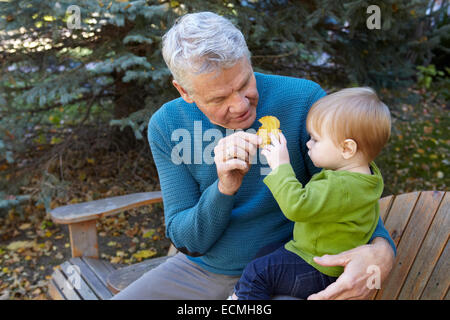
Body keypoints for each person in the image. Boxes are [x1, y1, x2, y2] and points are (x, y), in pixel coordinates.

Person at [112, 12, 396, 300]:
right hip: (202, 272)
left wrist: (381, 251)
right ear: (184, 91)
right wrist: (224, 188)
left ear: (248, 60)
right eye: (220, 98)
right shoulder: (168, 125)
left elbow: (352, 189)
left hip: (288, 267)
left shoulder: (304, 100)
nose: (240, 106)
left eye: (244, 83)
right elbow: (186, 240)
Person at [231, 88, 391, 300]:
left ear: (347, 149)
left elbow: (298, 206)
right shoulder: (366, 177)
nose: (308, 143)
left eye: (315, 139)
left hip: (317, 269)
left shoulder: (341, 186)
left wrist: (281, 166)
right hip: (318, 259)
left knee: (258, 273)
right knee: (266, 253)